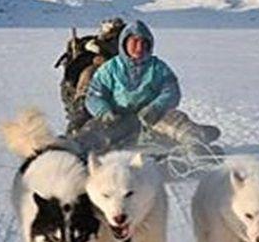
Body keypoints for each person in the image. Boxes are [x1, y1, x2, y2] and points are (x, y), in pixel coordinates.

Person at [74, 20, 221, 152]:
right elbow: (95, 94)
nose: (139, 47)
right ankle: (72, 150)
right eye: (135, 42)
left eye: (144, 43)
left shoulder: (158, 68)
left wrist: (156, 108)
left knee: (176, 121)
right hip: (117, 119)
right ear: (124, 43)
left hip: (152, 118)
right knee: (94, 131)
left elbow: (171, 91)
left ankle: (197, 147)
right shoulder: (109, 69)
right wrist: (104, 112)